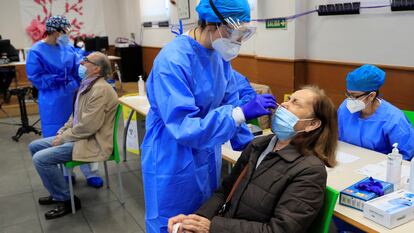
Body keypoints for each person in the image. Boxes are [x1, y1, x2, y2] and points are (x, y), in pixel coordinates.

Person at [141, 0, 276, 232]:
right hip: (172, 153)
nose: (238, 40)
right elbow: (183, 126)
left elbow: (231, 100)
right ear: (213, 23)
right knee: (172, 222)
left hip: (206, 148)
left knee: (203, 216)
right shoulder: (172, 60)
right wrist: (239, 113)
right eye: (235, 32)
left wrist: (252, 149)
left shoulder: (218, 54)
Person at [168, 85, 338, 233]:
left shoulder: (310, 170)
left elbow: (280, 230)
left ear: (312, 124)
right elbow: (225, 192)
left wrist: (212, 227)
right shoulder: (259, 144)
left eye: (295, 103)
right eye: (289, 99)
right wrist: (196, 220)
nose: (284, 103)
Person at [28, 52, 118, 219]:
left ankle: (67, 199)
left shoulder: (100, 90)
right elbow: (75, 116)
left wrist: (63, 138)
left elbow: (88, 126)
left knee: (40, 159)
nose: (81, 63)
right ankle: (58, 192)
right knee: (34, 146)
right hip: (82, 137)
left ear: (96, 69)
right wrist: (62, 131)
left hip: (92, 141)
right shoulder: (87, 84)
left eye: (86, 61)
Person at [26, 15, 104, 187]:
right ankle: (66, 173)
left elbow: (78, 65)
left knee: (82, 131)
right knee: (57, 135)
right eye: (64, 30)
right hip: (52, 100)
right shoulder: (36, 51)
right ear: (55, 31)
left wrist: (84, 69)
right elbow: (35, 77)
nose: (67, 33)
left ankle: (91, 172)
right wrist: (57, 79)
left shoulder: (66, 46)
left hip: (73, 94)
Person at [338, 64, 414, 161]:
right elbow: (337, 139)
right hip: (348, 161)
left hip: (379, 168)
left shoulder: (394, 119)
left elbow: (405, 156)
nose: (349, 99)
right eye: (348, 94)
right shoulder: (345, 109)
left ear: (371, 96)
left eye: (354, 95)